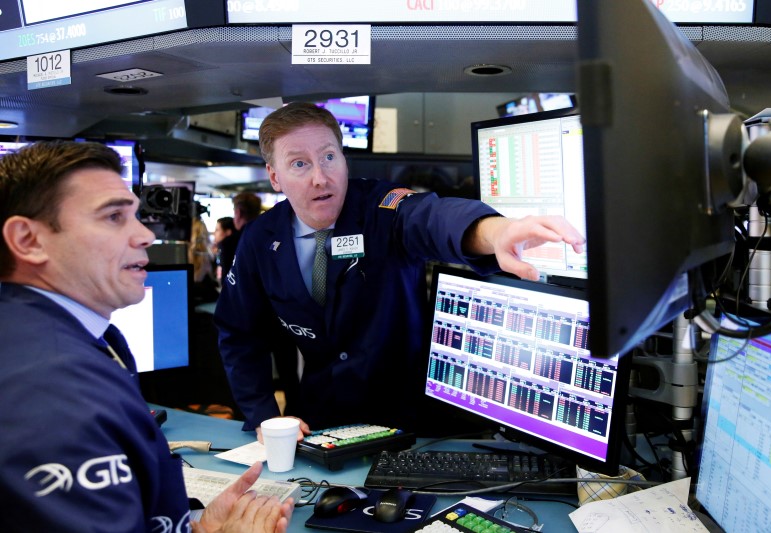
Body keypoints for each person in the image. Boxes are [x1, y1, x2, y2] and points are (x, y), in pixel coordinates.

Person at [213, 102, 585, 440]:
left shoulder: (381, 208)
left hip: (409, 423)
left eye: (329, 157)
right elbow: (239, 331)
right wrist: (263, 415)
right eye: (299, 164)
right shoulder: (261, 239)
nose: (320, 178)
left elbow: (430, 218)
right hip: (319, 422)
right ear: (274, 177)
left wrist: (495, 231)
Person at [0, 140, 294, 533]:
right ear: (27, 240)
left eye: (136, 216)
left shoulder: (92, 342)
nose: (145, 236)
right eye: (113, 217)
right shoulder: (51, 387)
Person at [213, 216, 240, 282]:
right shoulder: (236, 246)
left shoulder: (225, 247)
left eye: (217, 230)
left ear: (228, 232)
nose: (214, 233)